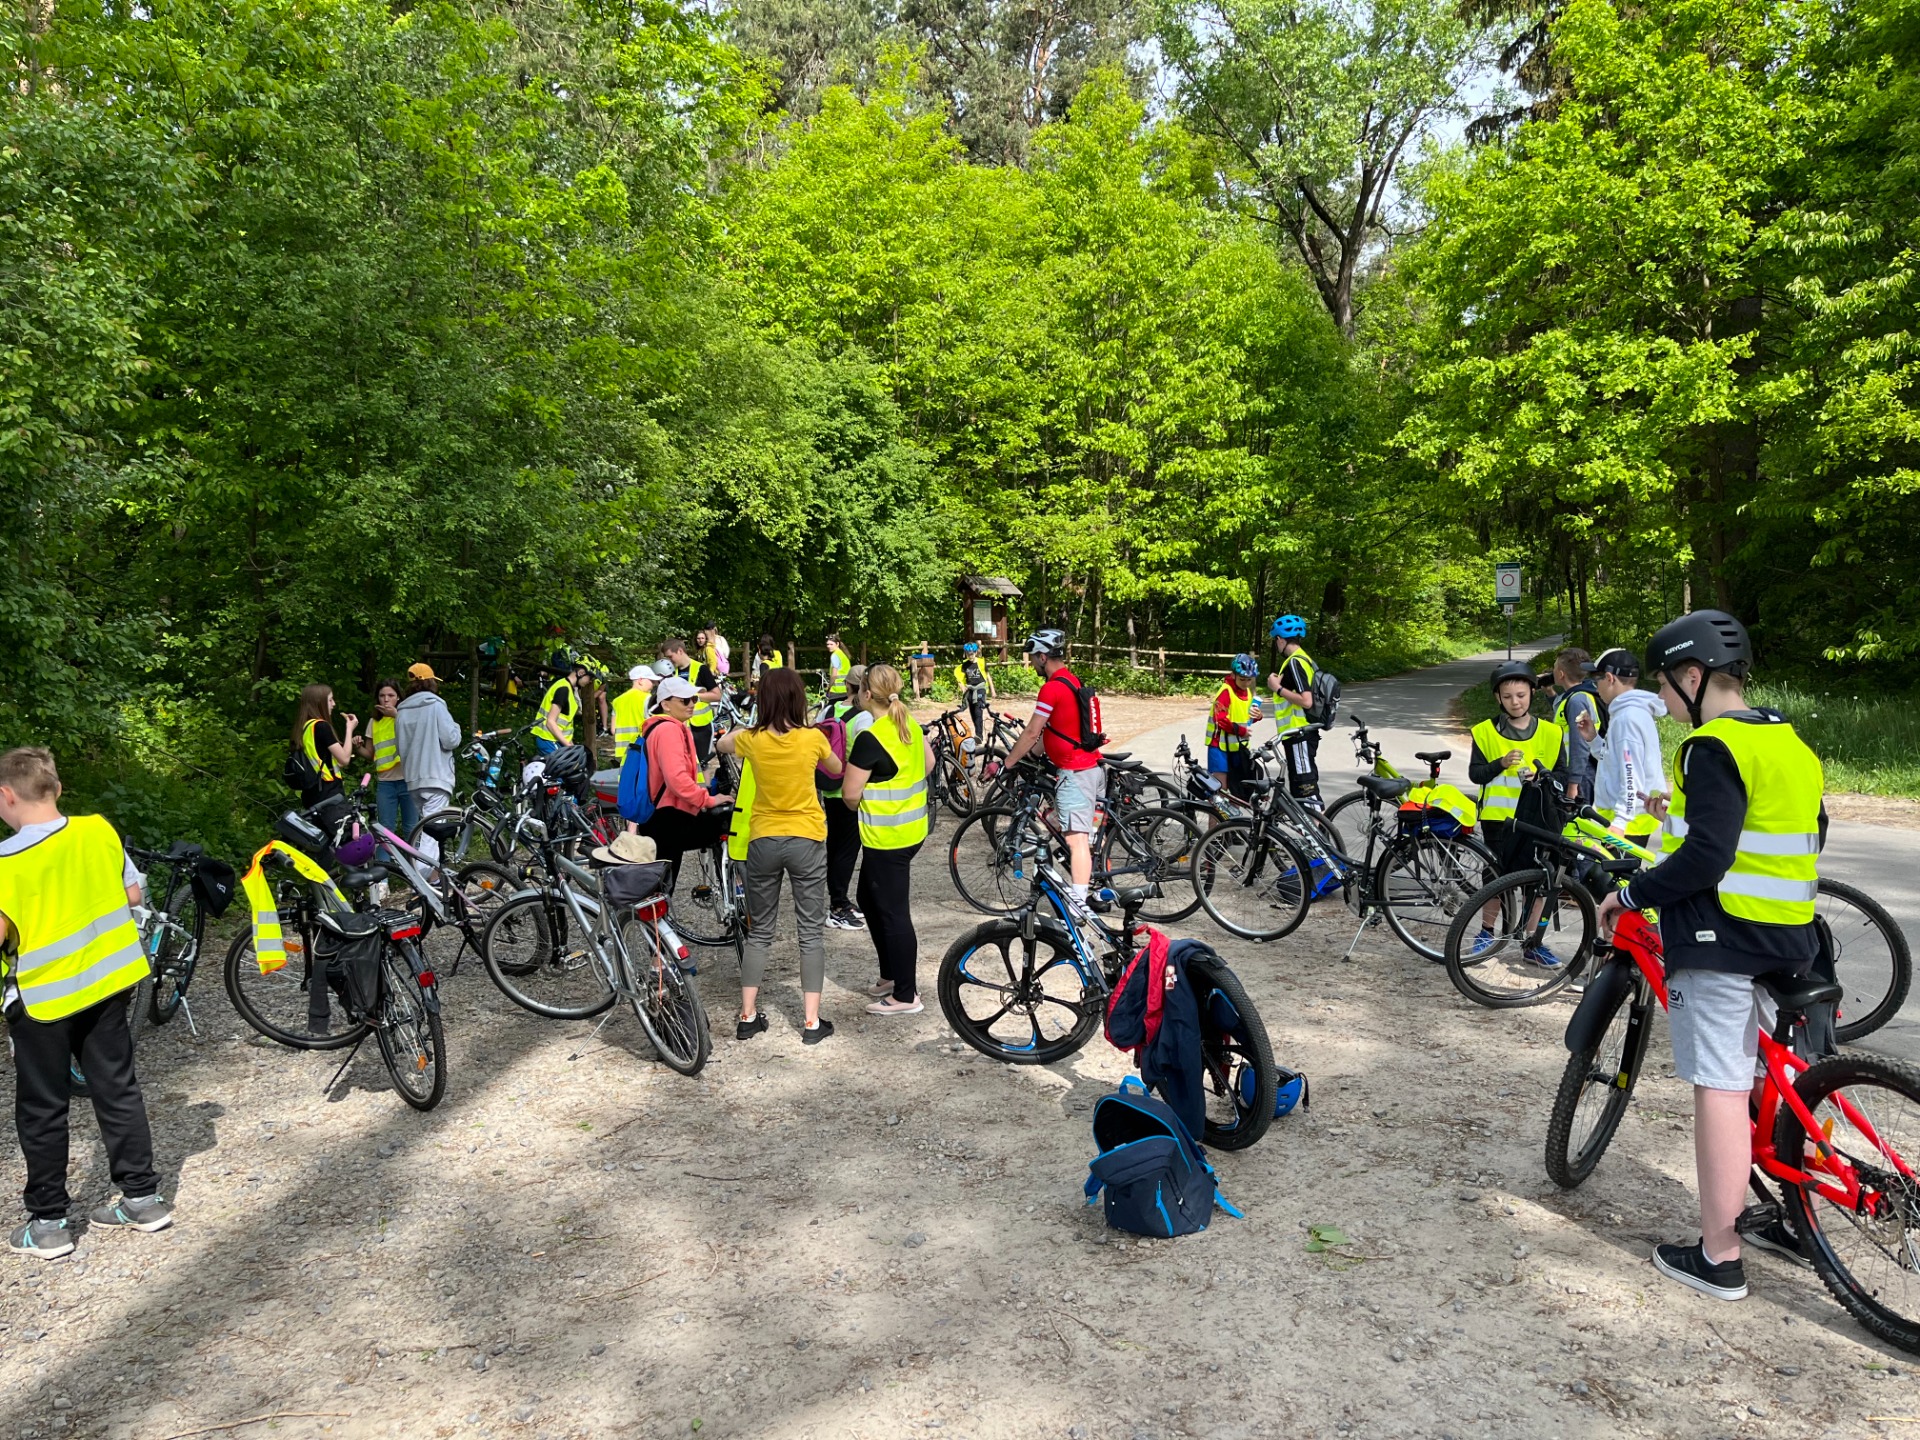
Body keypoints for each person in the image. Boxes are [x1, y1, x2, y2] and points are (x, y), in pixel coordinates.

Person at [1595, 611, 1825, 1302]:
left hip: (1720, 938)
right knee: (1771, 1078)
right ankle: (1792, 1217)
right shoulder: (1791, 742)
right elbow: (1795, 832)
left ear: (1692, 676)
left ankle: (1719, 1255)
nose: (1663, 702)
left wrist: (1631, 894)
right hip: (1792, 935)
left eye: (1666, 686)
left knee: (1721, 1087)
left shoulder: (1709, 744)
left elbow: (1707, 857)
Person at [0, 747, 170, 1258]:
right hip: (107, 985)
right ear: (56, 789)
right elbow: (134, 895)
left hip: (42, 1000)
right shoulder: (98, 830)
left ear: (6, 795)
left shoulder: (6, 862)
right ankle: (143, 1198)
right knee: (116, 1087)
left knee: (43, 1107)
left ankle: (49, 1223)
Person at [716, 668, 842, 1044]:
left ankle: (747, 1016)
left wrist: (748, 727)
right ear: (799, 699)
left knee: (760, 932)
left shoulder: (752, 741)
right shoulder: (812, 739)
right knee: (810, 934)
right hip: (806, 839)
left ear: (764, 700)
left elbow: (723, 744)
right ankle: (811, 1023)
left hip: (763, 840)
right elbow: (835, 770)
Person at [841, 664, 933, 1015]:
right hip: (910, 831)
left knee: (894, 913)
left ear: (865, 693)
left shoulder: (872, 737)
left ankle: (906, 996)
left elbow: (850, 795)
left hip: (888, 837)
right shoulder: (907, 723)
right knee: (868, 896)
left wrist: (874, 792)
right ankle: (891, 975)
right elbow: (928, 764)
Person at [1465, 660, 1567, 964]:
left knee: (1539, 881)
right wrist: (1500, 763)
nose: (1515, 701)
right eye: (1508, 696)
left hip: (1538, 819)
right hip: (1498, 819)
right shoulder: (1484, 732)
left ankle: (1532, 942)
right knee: (1495, 877)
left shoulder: (1551, 732)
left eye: (1521, 695)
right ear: (1498, 697)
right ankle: (1486, 933)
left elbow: (1562, 775)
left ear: (1532, 693)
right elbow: (1476, 775)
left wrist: (1542, 777)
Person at [998, 629, 1105, 912]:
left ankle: (1079, 904)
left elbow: (1033, 730)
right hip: (1087, 770)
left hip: (1075, 773)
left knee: (1077, 839)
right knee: (1057, 824)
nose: (1032, 663)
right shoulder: (1071, 680)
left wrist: (1008, 762)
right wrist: (1029, 757)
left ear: (1043, 656)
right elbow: (1053, 731)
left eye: (1034, 657)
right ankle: (1088, 883)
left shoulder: (1052, 687)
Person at [634, 677, 732, 884]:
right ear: (665, 704)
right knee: (728, 821)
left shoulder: (659, 727)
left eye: (694, 699)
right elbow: (676, 779)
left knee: (662, 883)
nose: (692, 704)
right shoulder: (668, 730)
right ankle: (731, 890)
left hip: (661, 815)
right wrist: (708, 800)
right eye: (685, 700)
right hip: (669, 817)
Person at [1576, 648, 1667, 842]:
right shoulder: (1630, 713)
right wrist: (1593, 739)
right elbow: (1615, 761)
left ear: (1609, 678)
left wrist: (1620, 822)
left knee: (1613, 872)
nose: (1596, 688)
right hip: (1629, 816)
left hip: (1628, 821)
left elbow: (1630, 772)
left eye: (1596, 681)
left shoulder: (1627, 718)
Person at [394, 662, 462, 864]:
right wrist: (456, 727)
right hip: (436, 777)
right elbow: (451, 739)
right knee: (432, 832)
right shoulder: (436, 705)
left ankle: (430, 877)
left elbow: (400, 748)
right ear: (431, 682)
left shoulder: (401, 712)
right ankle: (422, 878)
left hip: (413, 779)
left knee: (426, 827)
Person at [822, 665, 868, 931]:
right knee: (848, 850)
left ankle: (839, 899)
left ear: (847, 686)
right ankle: (838, 905)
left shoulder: (829, 710)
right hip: (851, 790)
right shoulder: (863, 718)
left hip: (829, 786)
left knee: (835, 845)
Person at [1266, 614, 1321, 806]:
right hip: (1299, 734)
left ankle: (1320, 833)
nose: (1276, 644)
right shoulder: (1305, 660)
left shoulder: (1295, 662)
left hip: (1300, 734)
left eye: (1276, 640)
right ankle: (1314, 833)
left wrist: (1277, 688)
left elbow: (1306, 701)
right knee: (1300, 789)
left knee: (1306, 790)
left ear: (1280, 639)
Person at [357, 680, 418, 842]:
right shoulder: (374, 722)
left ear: (398, 698)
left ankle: (414, 865)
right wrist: (357, 747)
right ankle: (385, 866)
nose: (386, 699)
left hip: (408, 780)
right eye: (382, 695)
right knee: (385, 830)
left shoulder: (406, 716)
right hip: (385, 783)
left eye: (390, 695)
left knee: (412, 828)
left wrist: (397, 715)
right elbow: (370, 754)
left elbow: (417, 739)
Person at [660, 637, 724, 771]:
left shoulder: (701, 669)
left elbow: (717, 695)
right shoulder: (672, 674)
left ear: (680, 651)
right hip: (680, 725)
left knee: (702, 763)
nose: (670, 661)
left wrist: (694, 697)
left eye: (671, 657)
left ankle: (706, 790)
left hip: (700, 726)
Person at [1207, 654, 1264, 799]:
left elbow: (1244, 718)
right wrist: (1242, 731)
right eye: (1242, 679)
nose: (1245, 683)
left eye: (1249, 680)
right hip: (1219, 746)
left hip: (1236, 748)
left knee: (1235, 790)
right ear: (1233, 675)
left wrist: (1257, 716)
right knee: (1219, 789)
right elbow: (1220, 719)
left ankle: (1231, 822)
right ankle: (1215, 822)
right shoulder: (1226, 691)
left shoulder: (1247, 692)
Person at [1548, 647, 1600, 805]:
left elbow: (1580, 744)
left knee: (1576, 824)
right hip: (1578, 771)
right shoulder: (1580, 694)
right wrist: (1549, 693)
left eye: (1555, 668)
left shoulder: (1577, 701)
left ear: (1561, 674)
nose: (1553, 671)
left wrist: (1573, 784)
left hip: (1580, 773)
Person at [291, 683, 355, 808]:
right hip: (328, 793)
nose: (334, 704)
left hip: (311, 793)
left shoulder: (305, 728)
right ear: (319, 702)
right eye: (330, 700)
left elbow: (334, 762)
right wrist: (349, 729)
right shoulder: (322, 726)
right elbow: (344, 759)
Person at [533, 654, 588, 754]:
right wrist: (567, 744)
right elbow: (550, 721)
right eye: (589, 678)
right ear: (581, 673)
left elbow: (564, 723)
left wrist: (569, 743)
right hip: (549, 739)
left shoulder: (569, 688)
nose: (589, 682)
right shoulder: (563, 689)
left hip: (555, 739)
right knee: (563, 768)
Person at [612, 665, 656, 766]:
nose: (653, 684)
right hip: (642, 749)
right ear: (640, 680)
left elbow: (613, 729)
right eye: (651, 681)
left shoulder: (617, 701)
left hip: (622, 752)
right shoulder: (648, 699)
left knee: (625, 780)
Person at [953, 641, 996, 740]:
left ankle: (979, 735)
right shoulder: (965, 665)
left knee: (978, 711)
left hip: (980, 689)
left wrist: (992, 690)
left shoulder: (981, 663)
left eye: (972, 654)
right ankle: (977, 732)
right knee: (972, 712)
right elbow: (960, 679)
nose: (970, 656)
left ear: (976, 653)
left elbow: (988, 676)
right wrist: (963, 689)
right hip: (970, 690)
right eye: (968, 654)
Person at [825, 633, 852, 704]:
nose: (829, 646)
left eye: (831, 644)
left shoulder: (834, 656)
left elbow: (834, 675)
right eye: (828, 644)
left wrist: (829, 687)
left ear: (837, 644)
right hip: (846, 689)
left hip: (836, 691)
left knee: (831, 712)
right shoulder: (843, 654)